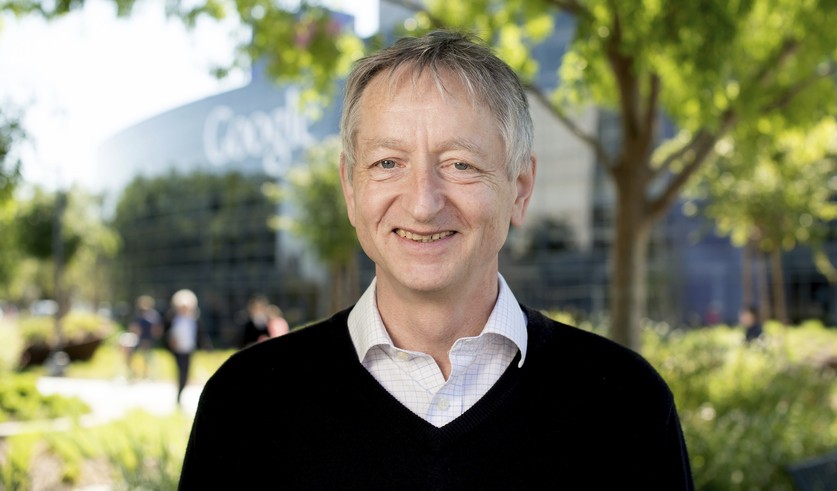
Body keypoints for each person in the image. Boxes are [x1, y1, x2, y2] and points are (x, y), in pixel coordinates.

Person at [180, 30, 694, 489]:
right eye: (388, 163)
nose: (423, 202)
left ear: (519, 188)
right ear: (350, 189)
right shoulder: (246, 404)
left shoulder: (626, 404)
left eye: (460, 164)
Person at [164, 288, 208, 405]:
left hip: (188, 349)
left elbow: (200, 334)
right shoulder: (173, 318)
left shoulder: (194, 319)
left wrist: (205, 346)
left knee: (186, 372)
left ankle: (180, 393)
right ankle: (178, 395)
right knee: (180, 371)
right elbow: (165, 333)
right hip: (177, 350)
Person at [122, 294, 163, 380]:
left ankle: (148, 374)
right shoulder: (138, 315)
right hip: (137, 338)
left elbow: (157, 328)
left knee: (148, 358)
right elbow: (133, 327)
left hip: (148, 339)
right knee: (130, 355)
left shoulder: (153, 315)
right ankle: (132, 373)